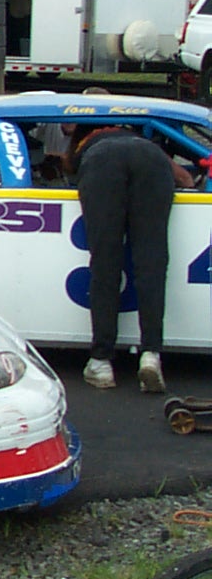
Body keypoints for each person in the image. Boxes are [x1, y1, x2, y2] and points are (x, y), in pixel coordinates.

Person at [66, 124, 185, 391]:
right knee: (152, 262)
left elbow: (69, 167)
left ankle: (101, 361)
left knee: (105, 263)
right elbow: (185, 179)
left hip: (102, 163)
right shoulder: (141, 138)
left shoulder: (88, 146)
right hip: (152, 160)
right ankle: (151, 354)